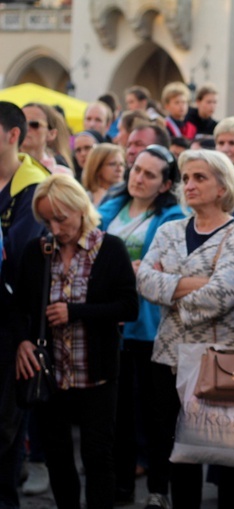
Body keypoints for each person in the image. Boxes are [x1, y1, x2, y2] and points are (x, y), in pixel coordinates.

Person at [136, 149, 234, 509]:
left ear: (222, 187)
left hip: (220, 360)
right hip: (169, 354)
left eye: (199, 177)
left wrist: (169, 286)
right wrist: (195, 282)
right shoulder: (170, 229)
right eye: (186, 177)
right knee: (178, 453)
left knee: (227, 454)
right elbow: (143, 281)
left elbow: (224, 294)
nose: (189, 184)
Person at [15, 174, 138, 509]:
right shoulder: (38, 251)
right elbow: (19, 307)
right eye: (47, 220)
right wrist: (23, 341)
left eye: (61, 218)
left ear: (81, 209)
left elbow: (129, 306)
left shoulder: (109, 248)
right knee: (57, 456)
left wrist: (75, 312)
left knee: (98, 455)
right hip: (51, 373)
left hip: (96, 373)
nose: (55, 228)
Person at [98, 144, 185, 507]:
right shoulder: (109, 207)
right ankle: (120, 484)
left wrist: (138, 272)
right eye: (136, 169)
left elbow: (166, 269)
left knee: (156, 412)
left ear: (165, 185)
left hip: (150, 326)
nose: (139, 178)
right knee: (117, 412)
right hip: (110, 323)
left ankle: (157, 488)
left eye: (149, 174)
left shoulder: (173, 217)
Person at [0, 101, 50, 509]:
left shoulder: (34, 186)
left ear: (13, 136)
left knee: (5, 429)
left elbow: (20, 261)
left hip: (14, 323)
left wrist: (24, 337)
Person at [20, 103, 71, 175]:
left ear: (52, 134)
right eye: (22, 123)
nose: (26, 128)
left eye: (34, 124)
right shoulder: (4, 169)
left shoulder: (61, 174)